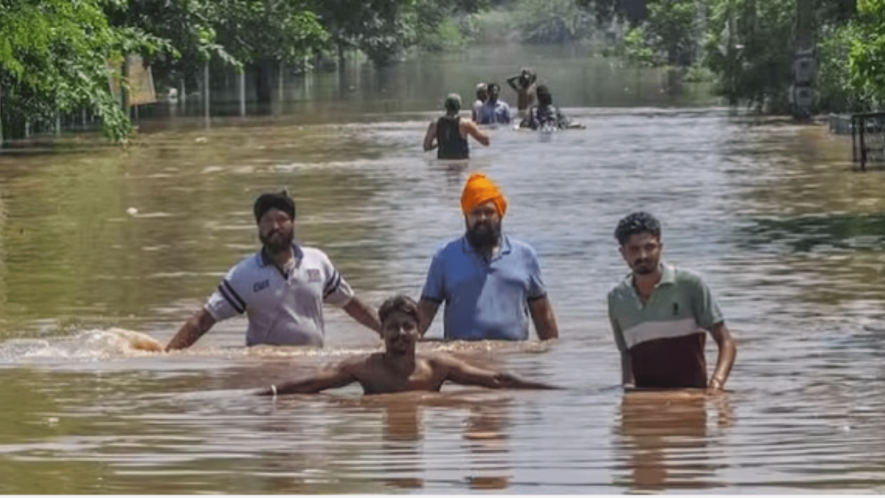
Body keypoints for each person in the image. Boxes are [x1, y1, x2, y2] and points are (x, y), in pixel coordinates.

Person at [165, 191, 381, 351]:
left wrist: (385, 330)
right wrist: (167, 355)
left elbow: (352, 304)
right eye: (267, 221)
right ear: (258, 227)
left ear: (293, 223)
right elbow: (204, 319)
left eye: (282, 220)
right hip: (264, 368)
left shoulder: (317, 261)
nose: (275, 226)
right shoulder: (243, 274)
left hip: (312, 365)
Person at [257, 295, 559, 395]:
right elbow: (312, 384)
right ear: (382, 333)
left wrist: (545, 389)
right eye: (391, 327)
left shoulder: (436, 368)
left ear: (418, 332)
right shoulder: (365, 368)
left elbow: (495, 379)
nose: (399, 333)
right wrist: (269, 392)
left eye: (407, 326)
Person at [417, 172, 559, 341]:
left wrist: (552, 358)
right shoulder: (445, 257)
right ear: (465, 216)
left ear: (500, 213)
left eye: (488, 212)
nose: (482, 218)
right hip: (464, 360)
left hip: (514, 359)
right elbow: (425, 313)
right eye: (476, 213)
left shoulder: (525, 255)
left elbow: (541, 313)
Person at [607, 212, 737, 391]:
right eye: (634, 249)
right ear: (623, 253)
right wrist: (628, 394)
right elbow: (626, 353)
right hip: (643, 402)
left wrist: (716, 385)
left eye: (649, 247)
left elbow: (726, 342)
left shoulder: (689, 285)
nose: (643, 256)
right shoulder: (617, 298)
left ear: (660, 247)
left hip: (691, 398)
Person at [423, 93, 490, 160]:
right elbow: (486, 141)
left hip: (442, 165)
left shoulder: (435, 124)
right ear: (459, 106)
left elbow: (426, 147)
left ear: (446, 106)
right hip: (461, 166)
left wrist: (438, 144)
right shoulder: (465, 124)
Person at [518, 85, 585, 131]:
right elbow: (565, 122)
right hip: (554, 129)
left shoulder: (533, 111)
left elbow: (524, 124)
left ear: (538, 98)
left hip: (540, 129)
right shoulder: (555, 110)